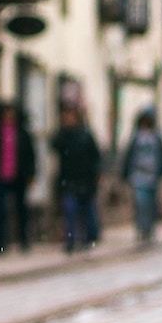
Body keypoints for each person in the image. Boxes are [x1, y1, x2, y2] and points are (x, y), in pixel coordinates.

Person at [0, 101, 36, 253]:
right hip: (1, 176)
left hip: (19, 176)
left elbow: (30, 155)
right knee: (1, 212)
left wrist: (31, 173)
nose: (9, 117)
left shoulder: (22, 133)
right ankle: (1, 243)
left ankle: (24, 241)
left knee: (21, 210)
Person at [50, 105, 102, 253]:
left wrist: (96, 175)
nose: (68, 120)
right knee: (70, 211)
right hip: (68, 180)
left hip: (85, 180)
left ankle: (88, 239)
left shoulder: (86, 135)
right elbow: (53, 146)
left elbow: (95, 157)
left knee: (86, 212)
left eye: (71, 117)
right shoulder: (63, 135)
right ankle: (70, 241)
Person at [122, 108, 162, 245]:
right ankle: (141, 229)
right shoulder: (136, 137)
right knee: (141, 204)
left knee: (150, 205)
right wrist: (125, 173)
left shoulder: (156, 137)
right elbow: (129, 156)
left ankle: (149, 230)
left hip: (152, 177)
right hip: (138, 176)